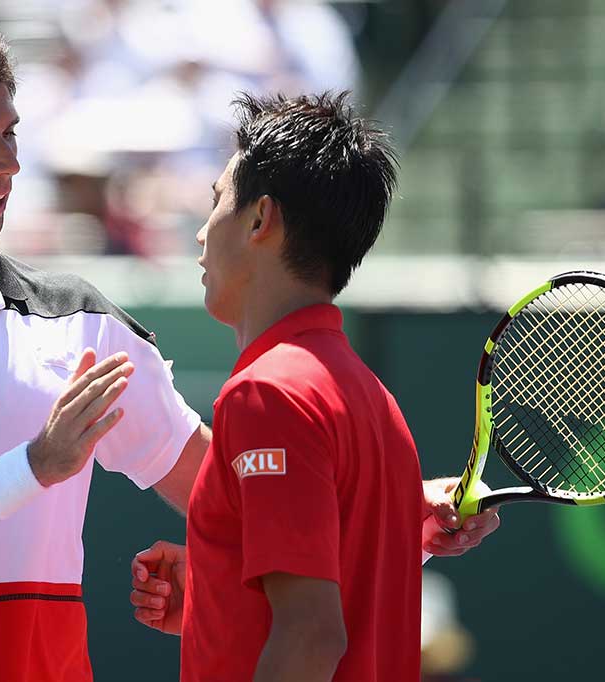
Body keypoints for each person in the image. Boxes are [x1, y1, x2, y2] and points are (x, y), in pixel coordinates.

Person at [0, 18, 496, 681]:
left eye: (9, 134)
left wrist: (402, 522)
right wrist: (35, 466)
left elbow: (252, 504)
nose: (5, 164)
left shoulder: (86, 325)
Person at [129, 92, 498, 682]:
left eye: (217, 201)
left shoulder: (268, 394)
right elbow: (327, 607)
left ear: (260, 219)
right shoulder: (372, 398)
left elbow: (311, 635)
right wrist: (216, 598)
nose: (201, 233)